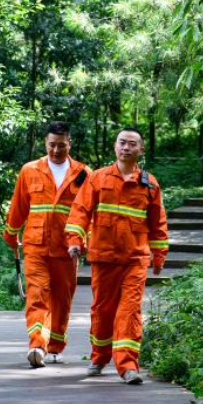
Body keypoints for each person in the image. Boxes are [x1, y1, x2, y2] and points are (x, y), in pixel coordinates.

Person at [65, 127, 168, 385]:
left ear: (140, 150)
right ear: (115, 146)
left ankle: (128, 365)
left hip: (135, 260)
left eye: (132, 144)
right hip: (104, 258)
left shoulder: (149, 184)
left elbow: (158, 223)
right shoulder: (97, 178)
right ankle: (99, 357)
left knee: (130, 311)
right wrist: (75, 240)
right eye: (122, 142)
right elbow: (80, 211)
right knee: (103, 310)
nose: (126, 148)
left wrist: (159, 255)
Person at [3, 121, 92, 368]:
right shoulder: (30, 170)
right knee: (36, 295)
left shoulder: (84, 173)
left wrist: (86, 241)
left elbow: (89, 213)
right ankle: (36, 345)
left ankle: (55, 346)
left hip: (67, 248)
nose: (55, 150)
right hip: (35, 245)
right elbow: (19, 206)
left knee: (62, 299)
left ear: (69, 144)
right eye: (51, 145)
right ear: (45, 143)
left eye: (61, 145)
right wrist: (10, 234)